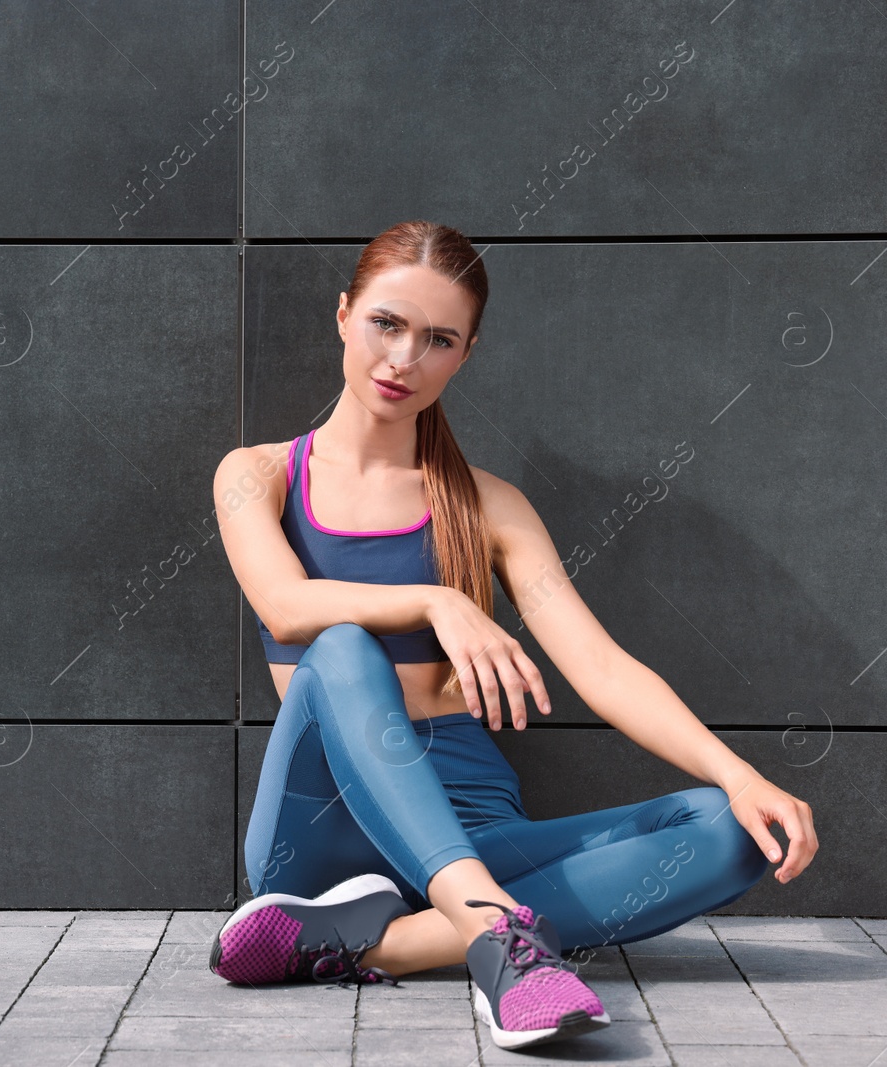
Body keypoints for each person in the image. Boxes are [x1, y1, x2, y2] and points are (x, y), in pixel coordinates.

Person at [207, 220, 819, 1051]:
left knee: (728, 831)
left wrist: (740, 775)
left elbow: (600, 666)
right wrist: (437, 602)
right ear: (344, 314)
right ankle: (495, 934)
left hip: (474, 827)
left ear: (464, 355)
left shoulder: (491, 507)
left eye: (438, 339)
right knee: (343, 646)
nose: (404, 358)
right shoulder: (259, 474)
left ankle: (379, 941)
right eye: (387, 323)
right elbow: (285, 605)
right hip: (319, 844)